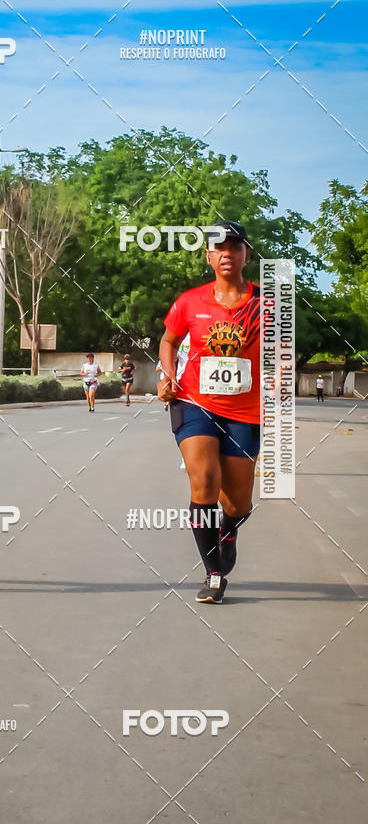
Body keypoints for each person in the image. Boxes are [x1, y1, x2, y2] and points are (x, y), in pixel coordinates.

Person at [158, 222, 261, 604]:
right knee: (203, 479)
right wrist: (167, 375)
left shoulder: (263, 304)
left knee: (237, 503)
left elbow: (281, 352)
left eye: (234, 247)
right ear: (208, 256)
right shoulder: (190, 301)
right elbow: (168, 341)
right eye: (218, 248)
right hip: (194, 402)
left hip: (245, 410)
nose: (226, 254)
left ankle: (229, 529)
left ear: (246, 254)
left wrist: (282, 377)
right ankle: (214, 574)